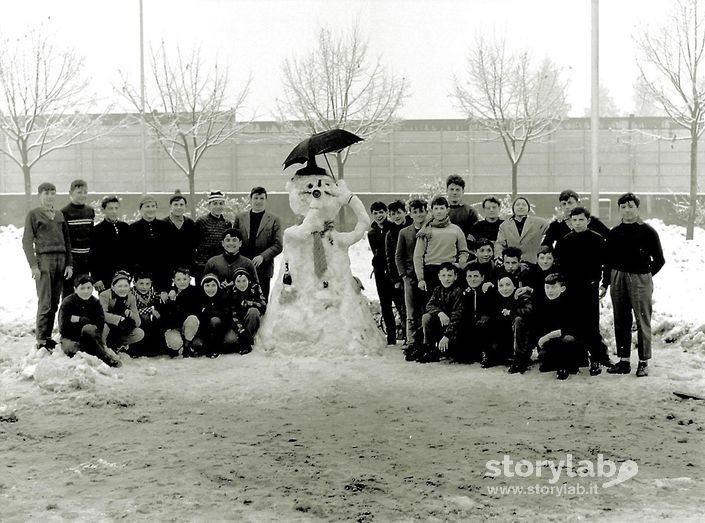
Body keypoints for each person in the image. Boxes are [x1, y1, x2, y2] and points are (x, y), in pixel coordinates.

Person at [601, 193, 665, 377]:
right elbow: (607, 261)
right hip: (617, 278)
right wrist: (606, 283)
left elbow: (660, 260)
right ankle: (624, 361)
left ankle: (643, 362)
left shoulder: (648, 232)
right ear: (619, 209)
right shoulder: (614, 233)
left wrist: (646, 275)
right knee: (621, 320)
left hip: (640, 279)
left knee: (642, 319)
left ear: (637, 208)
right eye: (623, 207)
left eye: (631, 206)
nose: (627, 210)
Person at [555, 207, 612, 375]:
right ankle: (566, 362)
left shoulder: (598, 240)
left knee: (591, 325)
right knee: (568, 325)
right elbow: (558, 265)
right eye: (574, 220)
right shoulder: (564, 241)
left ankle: (595, 359)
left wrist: (604, 284)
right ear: (570, 221)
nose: (578, 223)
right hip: (569, 289)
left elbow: (606, 265)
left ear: (588, 221)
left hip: (589, 288)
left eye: (581, 220)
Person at [22, 182, 73, 352]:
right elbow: (27, 242)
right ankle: (41, 338)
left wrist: (69, 264)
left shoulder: (59, 215)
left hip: (61, 259)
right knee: (45, 303)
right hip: (44, 260)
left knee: (55, 301)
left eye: (53, 193)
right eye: (46, 193)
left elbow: (67, 241)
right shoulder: (33, 214)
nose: (50, 196)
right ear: (40, 195)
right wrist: (33, 266)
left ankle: (49, 336)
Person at [232, 186, 283, 302]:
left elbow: (278, 244)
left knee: (261, 301)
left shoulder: (274, 219)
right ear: (250, 199)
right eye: (256, 198)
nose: (258, 201)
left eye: (261, 198)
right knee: (240, 301)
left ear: (266, 200)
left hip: (263, 268)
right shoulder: (240, 218)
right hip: (242, 266)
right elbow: (234, 240)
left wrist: (263, 257)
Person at [59, 274, 121, 367]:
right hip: (71, 336)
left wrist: (77, 320)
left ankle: (104, 356)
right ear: (75, 289)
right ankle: (91, 352)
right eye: (82, 288)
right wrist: (82, 320)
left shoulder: (95, 302)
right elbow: (64, 327)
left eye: (89, 288)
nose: (86, 291)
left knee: (89, 329)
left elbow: (99, 324)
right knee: (71, 348)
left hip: (90, 335)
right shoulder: (68, 302)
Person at [413, 196, 469, 295]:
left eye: (442, 208)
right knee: (433, 302)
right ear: (432, 210)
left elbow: (463, 251)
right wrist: (421, 278)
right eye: (436, 208)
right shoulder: (426, 230)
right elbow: (418, 256)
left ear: (447, 210)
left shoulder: (456, 230)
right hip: (431, 271)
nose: (439, 211)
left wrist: (460, 265)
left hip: (450, 270)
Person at [534, 273, 587, 380]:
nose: (550, 291)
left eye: (553, 287)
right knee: (544, 362)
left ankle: (566, 365)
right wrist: (541, 340)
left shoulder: (570, 304)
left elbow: (574, 327)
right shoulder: (542, 303)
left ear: (562, 289)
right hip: (553, 343)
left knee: (568, 340)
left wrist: (549, 336)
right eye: (547, 287)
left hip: (568, 340)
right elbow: (538, 325)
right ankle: (564, 361)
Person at [395, 198, 428, 355]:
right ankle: (411, 341)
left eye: (421, 211)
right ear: (410, 213)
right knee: (411, 311)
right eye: (415, 212)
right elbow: (398, 256)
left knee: (426, 309)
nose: (419, 214)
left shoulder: (430, 229)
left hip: (426, 276)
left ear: (426, 212)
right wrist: (403, 275)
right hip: (410, 276)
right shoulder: (404, 232)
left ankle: (425, 342)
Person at [413, 262, 464, 363]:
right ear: (439, 277)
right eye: (443, 275)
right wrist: (440, 313)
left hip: (453, 326)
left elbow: (457, 315)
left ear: (456, 276)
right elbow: (429, 305)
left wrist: (446, 335)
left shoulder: (458, 291)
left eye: (450, 275)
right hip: (440, 323)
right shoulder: (437, 289)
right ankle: (429, 348)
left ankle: (448, 350)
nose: (446, 279)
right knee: (426, 317)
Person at [485, 273, 533, 373]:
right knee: (486, 320)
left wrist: (511, 312)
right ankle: (491, 354)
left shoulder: (521, 295)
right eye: (501, 286)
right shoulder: (496, 297)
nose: (505, 288)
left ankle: (520, 359)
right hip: (504, 338)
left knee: (518, 320)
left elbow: (529, 311)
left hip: (522, 340)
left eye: (508, 285)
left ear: (514, 285)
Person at [368, 201, 397, 345]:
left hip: (394, 271)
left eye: (381, 212)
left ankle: (408, 335)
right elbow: (375, 253)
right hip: (380, 273)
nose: (379, 215)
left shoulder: (393, 228)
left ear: (386, 213)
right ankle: (391, 337)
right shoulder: (371, 233)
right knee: (385, 305)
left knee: (400, 302)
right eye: (375, 213)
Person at [192, 273, 240, 357]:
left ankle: (217, 347)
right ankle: (209, 347)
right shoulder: (198, 299)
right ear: (203, 287)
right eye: (207, 285)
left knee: (231, 338)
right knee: (197, 344)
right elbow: (198, 319)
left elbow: (228, 318)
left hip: (222, 331)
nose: (210, 289)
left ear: (218, 286)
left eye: (213, 285)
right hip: (204, 333)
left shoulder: (223, 297)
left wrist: (211, 312)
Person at [129, 194, 170, 292]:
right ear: (140, 209)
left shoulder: (165, 226)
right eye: (147, 206)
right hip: (142, 276)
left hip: (162, 274)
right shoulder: (133, 228)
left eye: (153, 206)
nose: (150, 209)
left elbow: (169, 251)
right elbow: (130, 253)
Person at [454, 261, 493, 364]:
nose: (472, 279)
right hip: (470, 325)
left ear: (482, 277)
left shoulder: (487, 290)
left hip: (486, 325)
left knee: (483, 324)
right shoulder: (464, 292)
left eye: (476, 276)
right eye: (469, 276)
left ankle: (486, 353)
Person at [385, 200, 412, 345]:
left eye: (398, 213)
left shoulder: (412, 227)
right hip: (400, 276)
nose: (396, 216)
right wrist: (395, 279)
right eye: (393, 214)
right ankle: (408, 337)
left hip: (414, 272)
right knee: (403, 308)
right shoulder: (390, 234)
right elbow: (390, 257)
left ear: (405, 212)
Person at [61, 179, 95, 296]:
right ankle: (66, 314)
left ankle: (83, 314)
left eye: (85, 192)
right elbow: (65, 238)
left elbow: (91, 234)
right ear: (71, 193)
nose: (83, 195)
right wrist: (68, 262)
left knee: (85, 289)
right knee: (69, 291)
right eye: (79, 192)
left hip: (86, 258)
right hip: (72, 258)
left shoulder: (89, 211)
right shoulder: (65, 212)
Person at [91, 195, 131, 293]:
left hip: (123, 276)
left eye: (116, 208)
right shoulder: (97, 230)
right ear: (104, 210)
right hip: (105, 277)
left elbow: (130, 251)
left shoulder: (125, 227)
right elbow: (93, 256)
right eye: (110, 208)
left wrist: (130, 272)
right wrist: (96, 278)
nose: (114, 211)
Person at [542, 189, 610, 248]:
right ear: (560, 206)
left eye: (570, 203)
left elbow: (610, 237)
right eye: (564, 204)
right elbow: (546, 245)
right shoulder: (556, 225)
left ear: (578, 203)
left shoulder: (592, 221)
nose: (567, 207)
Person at [99, 270, 145, 354]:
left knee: (139, 333)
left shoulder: (131, 298)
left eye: (125, 286)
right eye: (119, 286)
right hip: (108, 326)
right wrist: (120, 319)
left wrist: (128, 312)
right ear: (113, 287)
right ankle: (102, 348)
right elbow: (102, 315)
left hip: (121, 329)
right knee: (104, 326)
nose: (123, 289)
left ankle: (117, 345)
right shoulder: (104, 295)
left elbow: (138, 322)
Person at [495, 196, 548, 266]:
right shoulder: (504, 225)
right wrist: (499, 256)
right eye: (517, 205)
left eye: (524, 205)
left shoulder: (540, 223)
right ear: (513, 208)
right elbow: (499, 244)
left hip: (533, 262)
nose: (520, 207)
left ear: (528, 208)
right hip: (512, 264)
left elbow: (551, 234)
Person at [161, 267, 201, 357]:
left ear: (190, 279)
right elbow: (166, 316)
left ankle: (187, 345)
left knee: (192, 319)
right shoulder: (169, 294)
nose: (182, 282)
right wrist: (171, 300)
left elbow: (193, 311)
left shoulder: (195, 292)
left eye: (185, 279)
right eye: (178, 279)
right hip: (173, 326)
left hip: (187, 326)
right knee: (175, 343)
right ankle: (176, 347)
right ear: (173, 280)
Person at [194, 190, 231, 282]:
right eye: (215, 203)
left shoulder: (227, 223)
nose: (218, 206)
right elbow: (193, 244)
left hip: (221, 265)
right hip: (203, 266)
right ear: (209, 205)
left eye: (221, 203)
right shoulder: (201, 222)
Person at [229, 267, 267, 353]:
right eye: (238, 281)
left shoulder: (255, 289)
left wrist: (248, 303)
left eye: (244, 281)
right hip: (237, 325)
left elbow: (263, 305)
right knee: (229, 340)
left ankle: (246, 342)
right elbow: (232, 315)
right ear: (234, 283)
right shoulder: (231, 293)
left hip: (251, 322)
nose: (241, 284)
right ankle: (242, 339)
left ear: (249, 281)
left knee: (253, 311)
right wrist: (241, 330)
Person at [162, 190, 198, 279]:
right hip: (167, 268)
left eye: (181, 205)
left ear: (185, 206)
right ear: (170, 206)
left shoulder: (190, 224)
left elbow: (194, 247)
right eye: (175, 205)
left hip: (187, 269)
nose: (178, 207)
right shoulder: (162, 224)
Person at [130, 271, 164, 357]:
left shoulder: (150, 292)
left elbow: (157, 298)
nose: (144, 287)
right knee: (145, 317)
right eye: (141, 283)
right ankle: (138, 347)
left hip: (145, 321)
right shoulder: (130, 294)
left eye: (147, 284)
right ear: (134, 283)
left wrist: (163, 296)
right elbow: (133, 312)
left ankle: (153, 346)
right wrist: (149, 310)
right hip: (132, 320)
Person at [446, 174, 479, 239]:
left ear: (463, 191)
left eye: (457, 190)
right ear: (447, 190)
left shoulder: (470, 212)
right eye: (451, 189)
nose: (454, 192)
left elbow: (474, 234)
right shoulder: (440, 210)